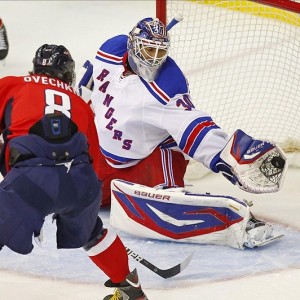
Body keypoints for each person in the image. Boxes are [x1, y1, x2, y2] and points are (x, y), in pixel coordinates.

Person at [77, 18, 287, 249]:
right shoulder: (112, 48)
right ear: (133, 46)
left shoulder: (168, 86)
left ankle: (226, 219)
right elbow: (91, 78)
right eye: (148, 49)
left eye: (160, 52)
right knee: (78, 194)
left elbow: (193, 126)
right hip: (101, 151)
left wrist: (227, 155)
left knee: (165, 181)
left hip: (146, 160)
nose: (154, 59)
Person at [0, 44, 148, 300]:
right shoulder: (80, 103)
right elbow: (94, 162)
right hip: (81, 184)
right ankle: (131, 292)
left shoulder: (13, 84)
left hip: (32, 180)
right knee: (93, 233)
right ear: (67, 73)